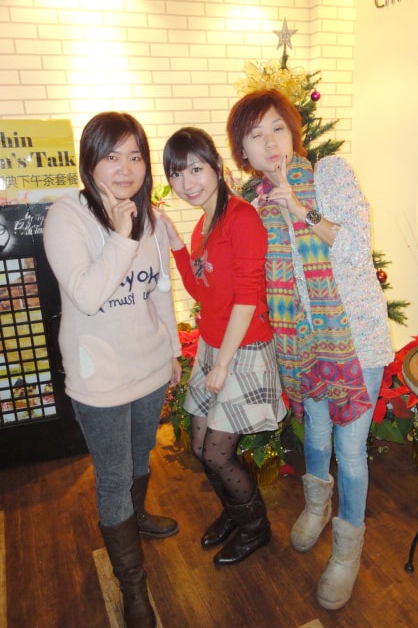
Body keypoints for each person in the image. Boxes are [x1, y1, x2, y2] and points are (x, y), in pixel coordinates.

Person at [227, 89, 394, 610]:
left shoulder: (330, 175)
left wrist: (299, 209)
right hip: (302, 343)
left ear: (293, 132)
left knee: (351, 449)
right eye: (256, 135)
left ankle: (347, 550)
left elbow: (356, 247)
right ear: (243, 152)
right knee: (316, 433)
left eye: (278, 128)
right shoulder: (255, 207)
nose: (270, 143)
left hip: (355, 339)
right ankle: (317, 507)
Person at [44, 112, 182, 628]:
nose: (126, 168)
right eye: (111, 156)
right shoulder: (67, 216)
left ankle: (137, 516)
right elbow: (85, 294)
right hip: (98, 375)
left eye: (135, 156)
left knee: (140, 453)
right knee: (113, 475)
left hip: (149, 365)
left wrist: (172, 351)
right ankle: (133, 585)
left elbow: (160, 289)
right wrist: (122, 235)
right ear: (90, 162)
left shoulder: (151, 218)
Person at [159, 126, 287, 566]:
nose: (187, 182)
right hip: (214, 346)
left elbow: (248, 299)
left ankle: (256, 528)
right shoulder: (203, 225)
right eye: (177, 174)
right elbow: (203, 291)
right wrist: (178, 246)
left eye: (195, 169)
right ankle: (235, 514)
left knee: (217, 452)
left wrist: (222, 364)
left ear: (215, 165)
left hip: (243, 350)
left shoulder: (242, 218)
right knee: (200, 448)